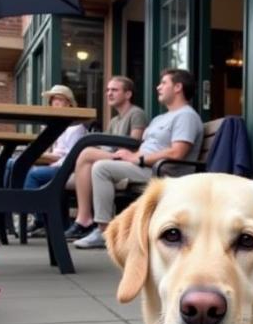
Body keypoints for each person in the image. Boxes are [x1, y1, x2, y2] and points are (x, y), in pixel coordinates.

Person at [73, 68, 204, 250]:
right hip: (144, 165)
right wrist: (131, 157)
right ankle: (99, 227)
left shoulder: (186, 116)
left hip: (162, 170)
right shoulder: (160, 118)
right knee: (91, 158)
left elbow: (177, 153)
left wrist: (138, 159)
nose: (158, 87)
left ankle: (104, 232)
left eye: (163, 83)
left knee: (101, 168)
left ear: (178, 87)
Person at [62, 75, 148, 241]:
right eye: (108, 90)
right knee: (71, 172)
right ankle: (80, 220)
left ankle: (84, 220)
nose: (109, 93)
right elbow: (106, 145)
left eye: (114, 90)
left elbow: (134, 143)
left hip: (127, 161)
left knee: (86, 153)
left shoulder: (136, 113)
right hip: (113, 161)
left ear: (128, 94)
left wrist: (103, 153)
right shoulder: (115, 120)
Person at [4, 84, 87, 238]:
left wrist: (43, 157)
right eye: (53, 100)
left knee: (33, 174)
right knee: (12, 164)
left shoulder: (75, 128)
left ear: (69, 103)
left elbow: (70, 157)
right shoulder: (54, 125)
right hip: (53, 164)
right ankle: (10, 211)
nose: (55, 103)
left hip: (67, 168)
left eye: (59, 100)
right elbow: (49, 151)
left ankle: (38, 219)